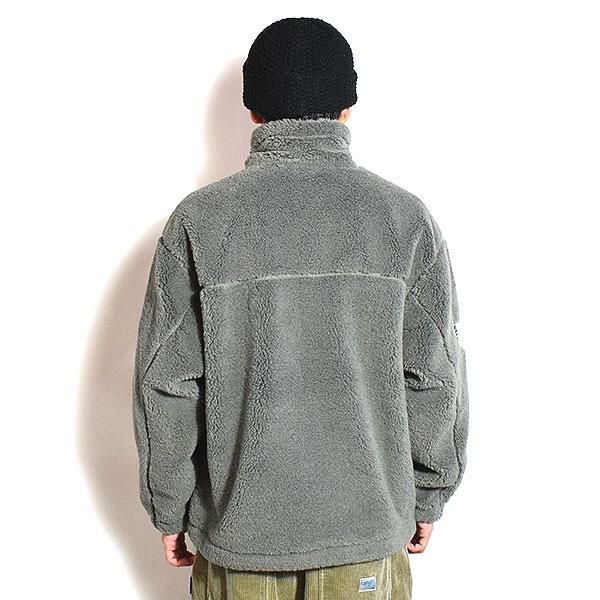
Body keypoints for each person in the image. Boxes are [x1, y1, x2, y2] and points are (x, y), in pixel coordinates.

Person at [132, 16, 469, 600]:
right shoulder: (404, 220)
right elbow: (434, 376)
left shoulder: (200, 222)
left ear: (252, 111)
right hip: (365, 535)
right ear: (347, 109)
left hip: (240, 540)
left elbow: (167, 383)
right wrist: (429, 492)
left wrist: (170, 506)